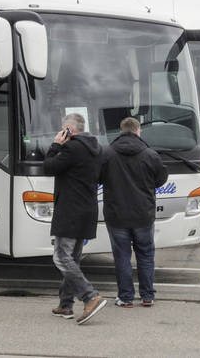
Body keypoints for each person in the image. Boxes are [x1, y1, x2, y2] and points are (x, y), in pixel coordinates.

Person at [44, 113, 107, 325]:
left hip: (70, 210)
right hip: (87, 210)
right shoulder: (96, 149)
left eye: (63, 129)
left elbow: (49, 167)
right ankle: (65, 304)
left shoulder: (71, 148)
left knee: (61, 257)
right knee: (74, 259)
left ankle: (90, 297)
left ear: (69, 130)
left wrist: (55, 145)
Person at [100, 117, 168, 308]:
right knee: (146, 255)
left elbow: (97, 177)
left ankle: (126, 297)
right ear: (138, 131)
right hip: (143, 214)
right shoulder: (150, 154)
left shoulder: (107, 153)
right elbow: (161, 177)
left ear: (121, 131)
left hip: (116, 214)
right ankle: (147, 296)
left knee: (122, 256)